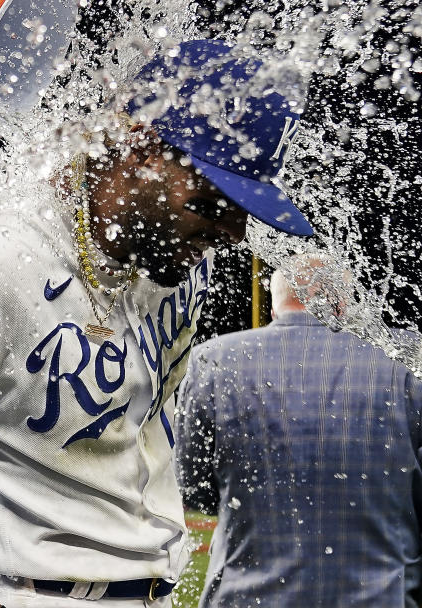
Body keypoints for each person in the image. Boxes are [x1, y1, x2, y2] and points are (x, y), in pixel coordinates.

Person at [0, 39, 316, 608]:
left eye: (245, 210)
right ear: (138, 147)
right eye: (212, 203)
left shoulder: (181, 255)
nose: (229, 234)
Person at [175, 257, 422, 607]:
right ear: (344, 305)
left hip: (247, 597)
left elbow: (193, 487)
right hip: (376, 597)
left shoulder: (213, 361)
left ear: (274, 308)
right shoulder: (405, 358)